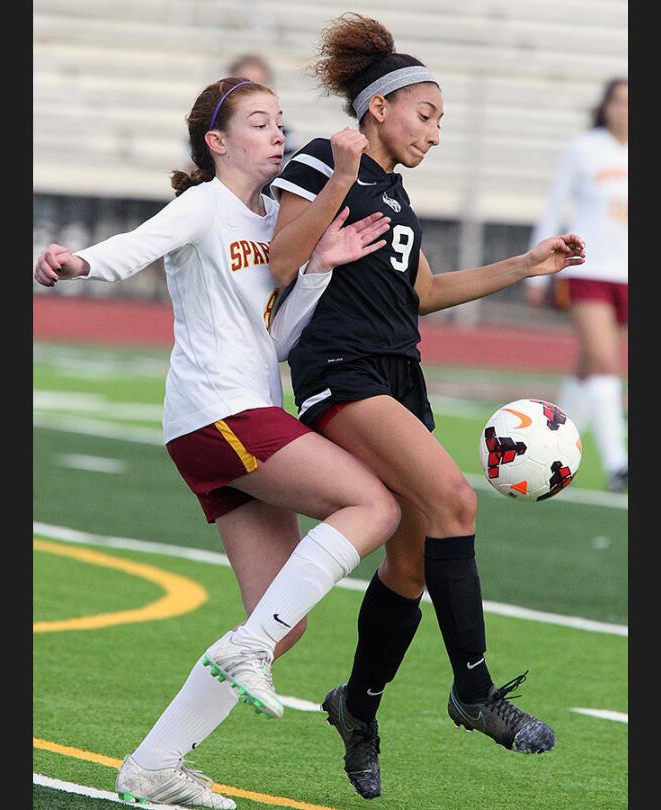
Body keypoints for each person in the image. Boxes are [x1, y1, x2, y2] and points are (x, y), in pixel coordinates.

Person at [34, 76, 398, 809]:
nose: (276, 133)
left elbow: (278, 335)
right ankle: (246, 649)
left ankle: (152, 766)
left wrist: (319, 270)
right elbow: (134, 248)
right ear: (218, 142)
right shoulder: (203, 205)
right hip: (218, 413)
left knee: (279, 623)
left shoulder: (272, 220)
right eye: (259, 123)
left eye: (279, 122)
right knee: (375, 504)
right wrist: (77, 264)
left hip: (236, 417)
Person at [264, 13, 588, 799]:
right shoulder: (321, 162)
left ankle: (358, 707)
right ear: (378, 106)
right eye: (426, 114)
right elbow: (278, 258)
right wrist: (336, 181)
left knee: (409, 563)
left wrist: (526, 264)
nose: (434, 134)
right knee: (453, 498)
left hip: (398, 377)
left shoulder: (396, 196)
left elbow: (425, 294)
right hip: (337, 370)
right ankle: (473, 693)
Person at [524, 78, 628, 493]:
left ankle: (554, 446)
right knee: (605, 360)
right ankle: (619, 465)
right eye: (618, 101)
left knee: (591, 362)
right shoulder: (584, 148)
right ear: (605, 106)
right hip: (587, 269)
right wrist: (535, 262)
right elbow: (555, 205)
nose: (625, 110)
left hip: (627, 273)